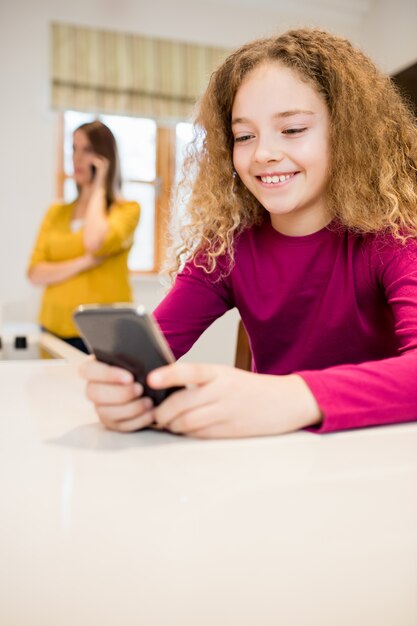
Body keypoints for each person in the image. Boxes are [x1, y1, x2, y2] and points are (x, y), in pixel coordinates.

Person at [80, 28, 417, 437]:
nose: (263, 154)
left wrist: (291, 396)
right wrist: (122, 393)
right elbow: (153, 349)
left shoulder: (393, 239)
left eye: (292, 130)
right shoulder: (227, 247)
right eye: (244, 136)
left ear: (348, 136)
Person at [28, 121, 140, 352]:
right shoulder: (56, 212)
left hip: (103, 332)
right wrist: (85, 262)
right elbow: (36, 273)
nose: (76, 158)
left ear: (104, 157)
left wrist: (99, 185)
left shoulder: (127, 210)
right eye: (74, 149)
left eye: (86, 150)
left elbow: (93, 241)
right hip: (52, 328)